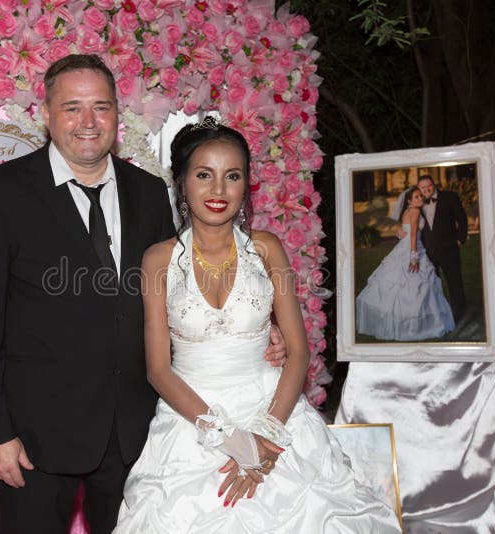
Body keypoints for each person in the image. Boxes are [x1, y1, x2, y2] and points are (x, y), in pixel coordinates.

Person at [0, 54, 285, 534]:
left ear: (117, 116)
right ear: (46, 114)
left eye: (101, 107)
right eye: (72, 108)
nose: (88, 122)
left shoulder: (149, 192)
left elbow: (181, 292)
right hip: (35, 437)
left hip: (139, 433)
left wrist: (257, 330)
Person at [114, 120, 401, 532]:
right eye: (203, 175)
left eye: (232, 176)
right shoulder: (158, 259)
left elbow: (298, 352)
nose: (218, 190)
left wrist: (265, 440)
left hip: (274, 410)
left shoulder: (266, 248)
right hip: (191, 420)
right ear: (181, 183)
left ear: (246, 185)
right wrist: (232, 442)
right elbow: (158, 369)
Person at [355, 186, 455, 341]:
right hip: (412, 249)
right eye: (416, 197)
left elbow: (403, 232)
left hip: (403, 246)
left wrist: (399, 233)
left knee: (407, 285)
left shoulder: (406, 212)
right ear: (409, 200)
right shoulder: (415, 212)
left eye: (421, 196)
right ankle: (418, 324)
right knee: (418, 285)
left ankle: (399, 319)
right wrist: (414, 257)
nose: (420, 199)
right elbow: (413, 235)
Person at [417, 175, 468, 321]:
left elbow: (462, 218)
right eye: (423, 187)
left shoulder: (449, 197)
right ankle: (437, 313)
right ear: (419, 188)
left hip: (449, 248)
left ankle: (458, 313)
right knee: (432, 283)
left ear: (434, 184)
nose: (426, 189)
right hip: (428, 251)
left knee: (454, 281)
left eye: (429, 185)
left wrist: (460, 239)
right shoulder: (418, 203)